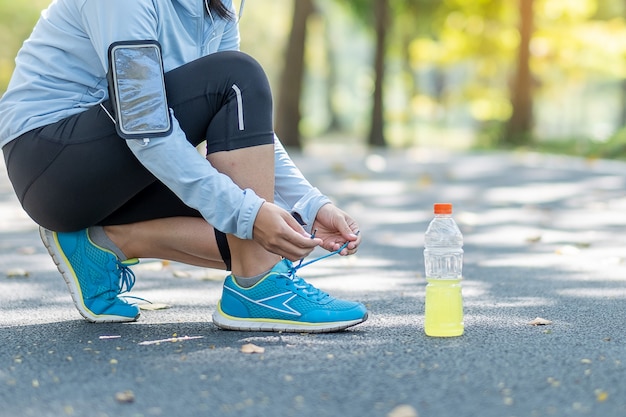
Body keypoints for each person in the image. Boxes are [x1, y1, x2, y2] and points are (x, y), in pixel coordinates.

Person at [0, 0, 368, 333]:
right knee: (250, 214)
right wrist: (247, 213)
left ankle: (101, 243)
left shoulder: (218, 6)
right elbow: (146, 127)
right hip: (52, 163)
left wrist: (311, 204)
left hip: (120, 162)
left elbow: (242, 125)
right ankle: (260, 285)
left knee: (270, 221)